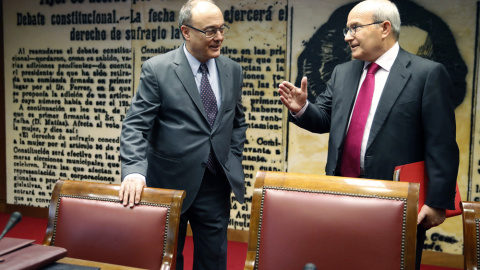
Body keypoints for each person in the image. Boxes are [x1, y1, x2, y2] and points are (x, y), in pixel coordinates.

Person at [278, 0, 458, 269]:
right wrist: (303, 108)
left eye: (355, 28)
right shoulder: (342, 73)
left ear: (384, 28)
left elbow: (441, 144)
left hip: (396, 202)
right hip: (342, 196)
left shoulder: (426, 74)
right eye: (346, 30)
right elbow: (325, 119)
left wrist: (437, 202)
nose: (348, 36)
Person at [118, 0, 247, 269]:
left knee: (213, 262)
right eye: (210, 30)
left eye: (222, 29)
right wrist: (133, 171)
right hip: (168, 184)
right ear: (186, 32)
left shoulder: (232, 70)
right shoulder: (158, 69)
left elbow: (237, 121)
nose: (219, 37)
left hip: (215, 185)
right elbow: (135, 125)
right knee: (167, 260)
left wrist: (232, 157)